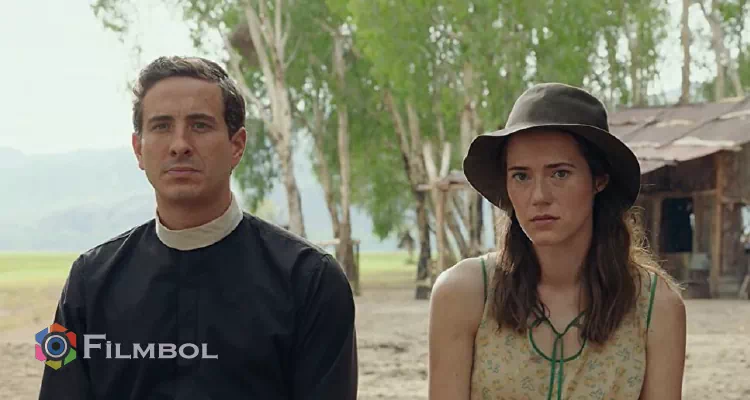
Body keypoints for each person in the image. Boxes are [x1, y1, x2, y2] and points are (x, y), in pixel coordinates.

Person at [38, 56, 358, 400]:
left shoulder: (312, 281)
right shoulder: (86, 282)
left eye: (200, 125)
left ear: (237, 145)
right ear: (138, 149)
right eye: (161, 126)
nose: (180, 144)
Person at [427, 83, 687, 400]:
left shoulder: (655, 307)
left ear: (599, 180)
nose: (539, 196)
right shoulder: (465, 294)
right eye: (521, 176)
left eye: (560, 174)